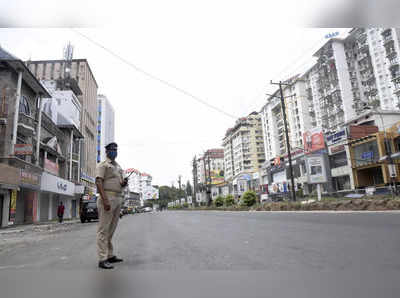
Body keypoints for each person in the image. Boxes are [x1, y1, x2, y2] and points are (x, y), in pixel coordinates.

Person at [95, 142, 128, 269]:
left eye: (116, 149)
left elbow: (120, 183)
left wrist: (123, 183)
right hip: (107, 198)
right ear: (107, 152)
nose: (114, 151)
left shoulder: (118, 167)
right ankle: (102, 259)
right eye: (112, 149)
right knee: (103, 230)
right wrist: (105, 200)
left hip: (118, 198)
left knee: (111, 230)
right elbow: (98, 182)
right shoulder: (103, 165)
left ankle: (110, 255)